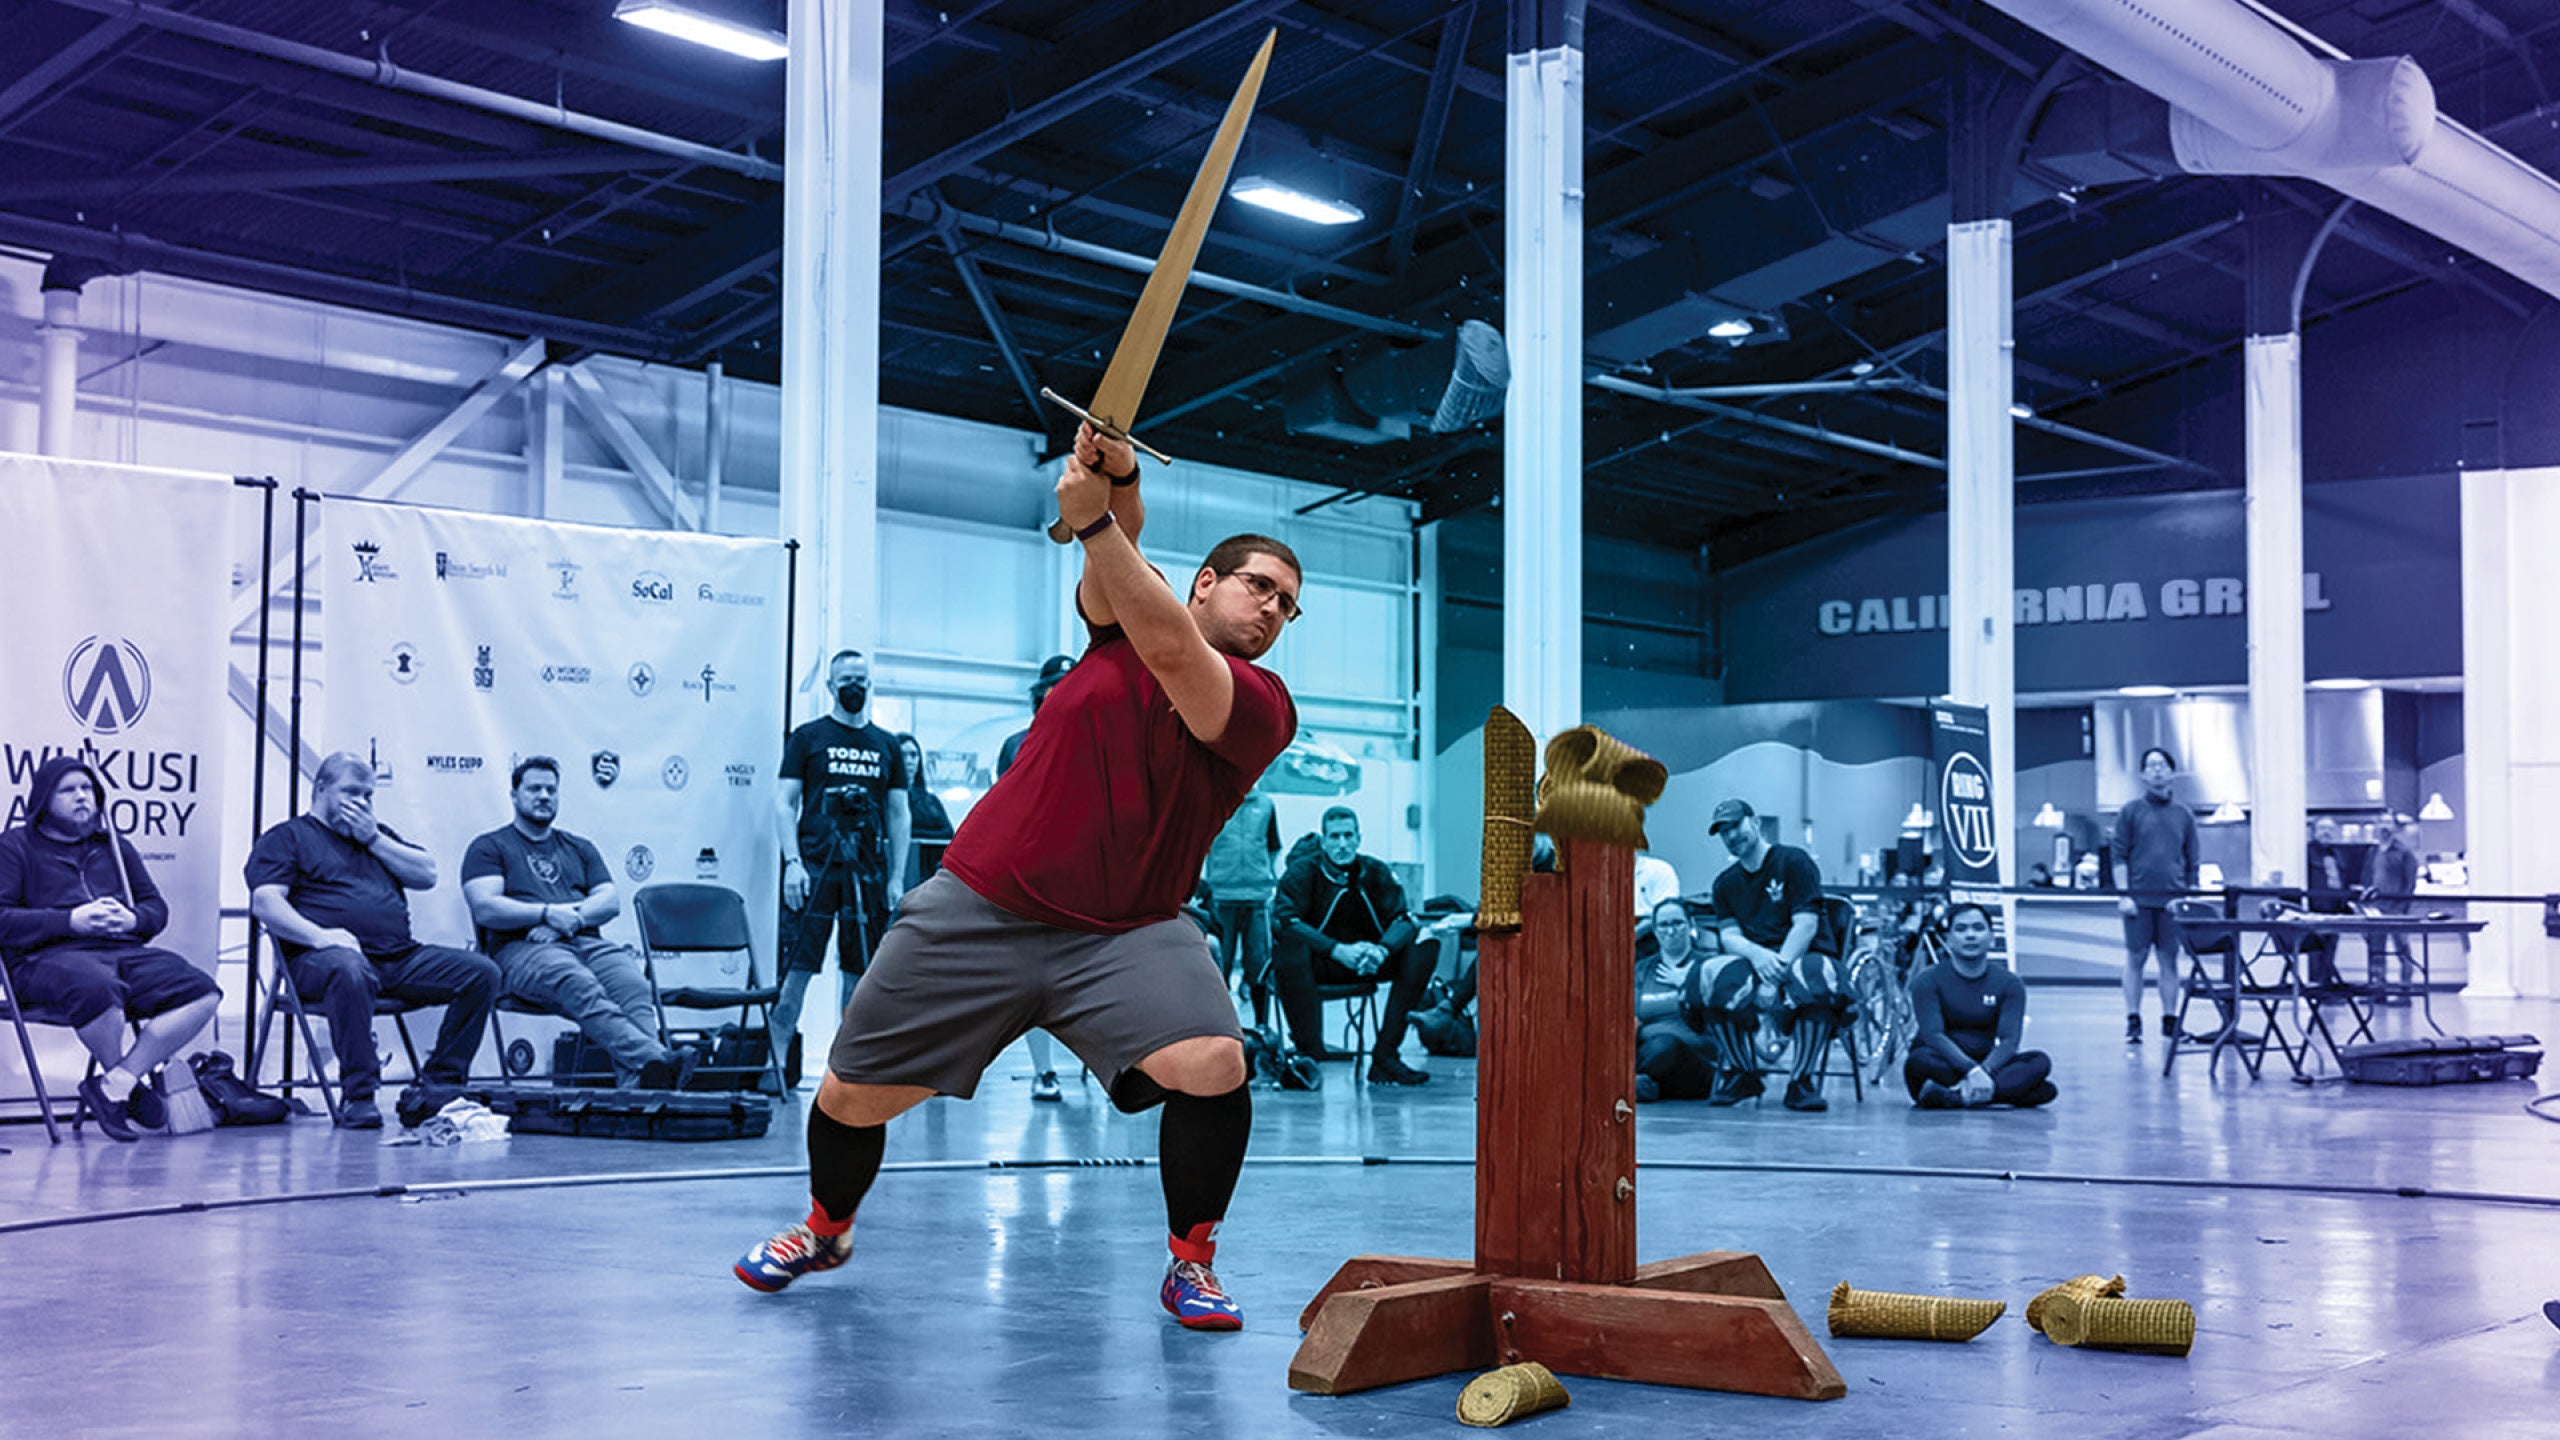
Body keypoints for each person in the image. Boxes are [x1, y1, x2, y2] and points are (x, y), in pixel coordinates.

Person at [734, 421, 1299, 1335]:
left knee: (1214, 1062)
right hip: (981, 904)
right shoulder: (1119, 629)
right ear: (1207, 582)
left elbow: (1168, 646)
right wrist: (1113, 482)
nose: (1274, 610)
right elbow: (1122, 588)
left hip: (1131, 929)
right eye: (1260, 587)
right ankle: (826, 1227)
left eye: (1288, 606)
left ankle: (1192, 1265)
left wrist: (1100, 523)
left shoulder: (1261, 706)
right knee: (848, 1094)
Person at [245, 753, 500, 1129]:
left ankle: (439, 1084)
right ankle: (359, 1094)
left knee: (482, 972)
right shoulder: (288, 837)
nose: (361, 803)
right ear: (321, 789)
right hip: (319, 961)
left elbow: (427, 874)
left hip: (397, 958)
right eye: (350, 792)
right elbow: (265, 903)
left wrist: (374, 838)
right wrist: (320, 937)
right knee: (350, 968)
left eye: (368, 795)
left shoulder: (376, 836)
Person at [0, 757, 221, 1141]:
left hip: (120, 952)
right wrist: (70, 921)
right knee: (97, 985)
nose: (81, 797)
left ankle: (115, 1084)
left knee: (202, 990)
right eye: (68, 790)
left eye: (88, 789)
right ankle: (126, 1089)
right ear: (43, 799)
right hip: (43, 959)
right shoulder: (15, 845)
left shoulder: (115, 846)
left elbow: (155, 908)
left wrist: (132, 921)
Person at [461, 757, 675, 1089]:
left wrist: (565, 920)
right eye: (534, 789)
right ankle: (655, 1060)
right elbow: (486, 908)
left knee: (633, 984)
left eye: (551, 789)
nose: (544, 796)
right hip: (521, 949)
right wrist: (544, 913)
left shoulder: (579, 846)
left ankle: (641, 1087)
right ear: (514, 795)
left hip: (584, 941)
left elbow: (610, 901)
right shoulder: (489, 846)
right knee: (576, 981)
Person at [775, 648, 910, 1086]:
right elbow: (783, 803)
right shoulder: (807, 737)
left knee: (859, 977)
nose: (854, 687)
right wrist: (792, 863)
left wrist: (895, 878)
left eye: (861, 680)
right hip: (815, 867)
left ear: (869, 685)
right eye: (845, 680)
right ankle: (772, 1070)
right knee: (795, 973)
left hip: (866, 872)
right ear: (832, 686)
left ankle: (847, 1072)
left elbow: (899, 814)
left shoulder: (887, 744)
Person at [1697, 797, 1848, 1113]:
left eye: (1735, 825)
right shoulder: (1724, 884)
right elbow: (1730, 937)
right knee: (1711, 976)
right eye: (1723, 831)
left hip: (1804, 953)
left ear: (1755, 822)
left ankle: (1801, 1082)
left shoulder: (1793, 861)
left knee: (1813, 977)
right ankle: (1743, 1073)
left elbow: (1806, 925)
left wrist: (1776, 971)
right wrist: (1759, 958)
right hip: (1759, 959)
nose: (1731, 835)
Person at [1270, 807, 1434, 1086]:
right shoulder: (1301, 873)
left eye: (1348, 836)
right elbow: (1285, 920)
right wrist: (1336, 949)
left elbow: (1404, 918)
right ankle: (1309, 1056)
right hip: (1319, 963)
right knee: (1289, 947)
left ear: (1359, 838)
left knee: (1425, 947)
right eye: (1335, 837)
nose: (1342, 844)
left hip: (1368, 960)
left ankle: (1386, 1057)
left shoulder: (1375, 872)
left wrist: (1382, 949)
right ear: (1324, 841)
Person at [997, 655, 1075, 1102]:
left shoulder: (1100, 737)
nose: (1057, 694)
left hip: (1086, 876)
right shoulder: (1015, 744)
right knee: (1034, 976)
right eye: (1051, 687)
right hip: (1030, 875)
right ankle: (1044, 1071)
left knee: (1095, 973)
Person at [1903, 902, 2057, 1109]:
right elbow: (1933, 1035)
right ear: (1948, 939)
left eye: (1978, 928)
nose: (1970, 935)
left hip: (1988, 1064)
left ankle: (1958, 1097)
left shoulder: (2009, 983)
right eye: (1961, 929)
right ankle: (1998, 1093)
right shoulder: (1927, 980)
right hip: (1941, 1063)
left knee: (2039, 1061)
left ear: (1991, 938)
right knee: (1919, 1060)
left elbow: (2009, 1040)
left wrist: (1984, 1070)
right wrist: (1971, 1071)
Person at [2110, 746, 2198, 1045]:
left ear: (2171, 772)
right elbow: (2119, 857)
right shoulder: (2130, 811)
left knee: (2169, 961)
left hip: (2172, 902)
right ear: (2143, 774)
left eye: (2162, 765)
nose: (2157, 769)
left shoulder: (2184, 814)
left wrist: (2184, 898)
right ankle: (2133, 1020)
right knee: (2135, 958)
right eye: (2151, 765)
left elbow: (2192, 862)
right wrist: (2124, 895)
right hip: (2138, 900)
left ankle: (2170, 1022)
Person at [1202, 779, 1282, 1034]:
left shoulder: (1267, 805)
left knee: (1258, 965)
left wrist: (1264, 876)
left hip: (1257, 898)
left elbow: (1273, 847)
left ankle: (1261, 1026)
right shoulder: (1214, 802)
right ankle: (1220, 1029)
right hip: (1222, 896)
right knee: (1218, 967)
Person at [1634, 897, 1717, 1102]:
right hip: (1651, 1061)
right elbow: (1632, 1021)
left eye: (1677, 923)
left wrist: (1689, 984)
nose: (1670, 931)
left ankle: (1631, 1086)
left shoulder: (1709, 965)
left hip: (1698, 1064)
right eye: (1663, 925)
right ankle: (1639, 1084)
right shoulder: (1642, 970)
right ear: (1654, 930)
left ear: (1691, 925)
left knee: (1665, 1045)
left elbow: (1724, 1016)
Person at [2303, 816, 2366, 987]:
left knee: (2330, 949)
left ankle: (2327, 984)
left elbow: (2344, 879)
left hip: (2336, 908)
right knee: (2316, 949)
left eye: (2330, 829)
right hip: (2315, 908)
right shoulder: (2306, 853)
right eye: (2322, 828)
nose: (2326, 832)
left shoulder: (2339, 854)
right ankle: (2318, 986)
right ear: (2314, 832)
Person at [2367, 815, 2422, 1001]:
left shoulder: (2404, 852)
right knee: (2376, 951)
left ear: (2395, 827)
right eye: (2380, 822)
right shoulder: (2373, 851)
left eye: (2388, 822)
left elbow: (2410, 883)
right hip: (2375, 908)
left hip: (2397, 910)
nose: (2384, 826)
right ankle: (2378, 990)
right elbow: (2368, 877)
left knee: (2403, 951)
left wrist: (2403, 907)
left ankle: (2405, 992)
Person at [894, 734, 953, 896]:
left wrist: (913, 834)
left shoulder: (930, 801)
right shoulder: (886, 801)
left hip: (929, 875)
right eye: (903, 755)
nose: (909, 760)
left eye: (913, 755)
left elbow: (949, 833)